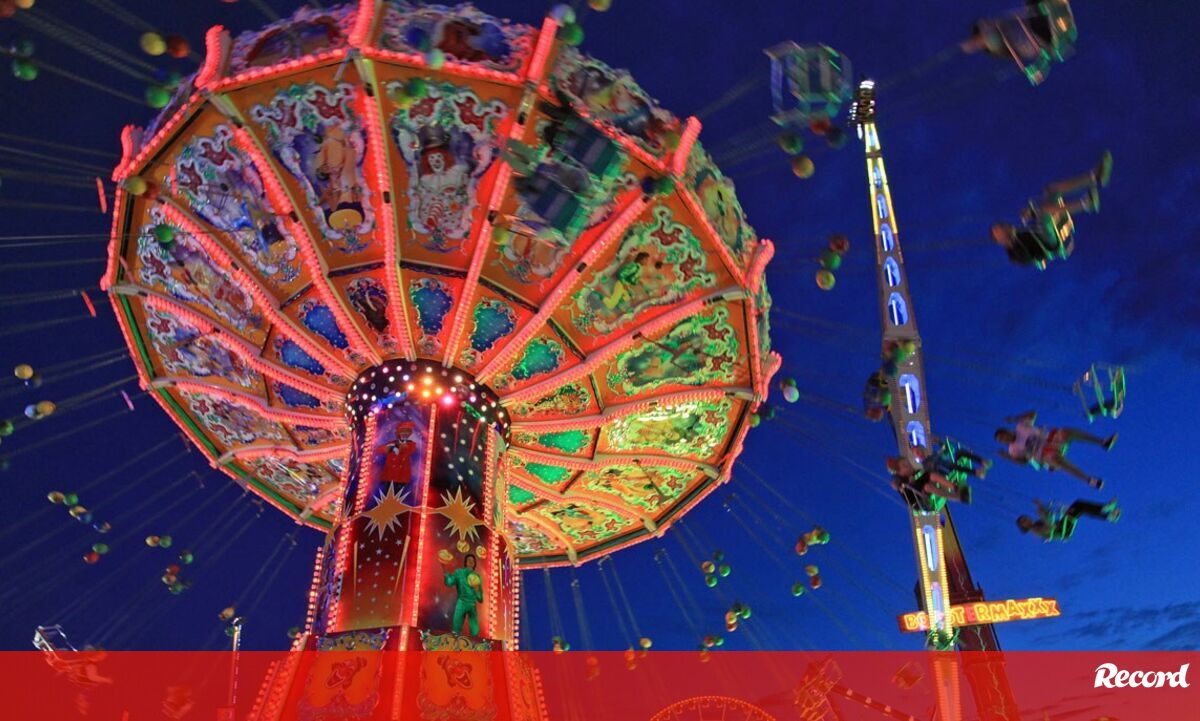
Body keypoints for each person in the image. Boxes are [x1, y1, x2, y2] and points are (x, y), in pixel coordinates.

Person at [995, 410, 1116, 489]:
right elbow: (1023, 462)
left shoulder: (1020, 427)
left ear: (1008, 431)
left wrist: (1015, 418)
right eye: (1001, 440)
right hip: (1042, 453)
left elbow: (1033, 414)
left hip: (1050, 439)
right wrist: (1007, 457)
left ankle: (1103, 442)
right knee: (1054, 459)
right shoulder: (1013, 449)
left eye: (1003, 436)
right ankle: (1089, 480)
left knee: (1065, 432)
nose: (1004, 439)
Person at [1017, 498, 1121, 542]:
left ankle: (1108, 515)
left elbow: (1049, 517)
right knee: (1079, 506)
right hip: (1063, 529)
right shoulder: (1035, 530)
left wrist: (1041, 506)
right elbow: (1050, 527)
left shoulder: (1036, 524)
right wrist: (1043, 516)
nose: (1027, 519)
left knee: (1080, 507)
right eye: (1024, 521)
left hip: (1063, 526)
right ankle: (1107, 511)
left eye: (1025, 518)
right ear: (1024, 527)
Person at [441, 552, 483, 636]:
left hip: (472, 604)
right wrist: (445, 569)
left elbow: (480, 598)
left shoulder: (477, 576)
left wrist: (477, 590)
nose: (471, 561)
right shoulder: (459, 572)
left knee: (475, 630)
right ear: (465, 562)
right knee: (456, 628)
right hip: (461, 602)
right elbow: (449, 582)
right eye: (469, 560)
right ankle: (455, 641)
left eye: (472, 560)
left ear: (474, 563)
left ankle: (476, 642)